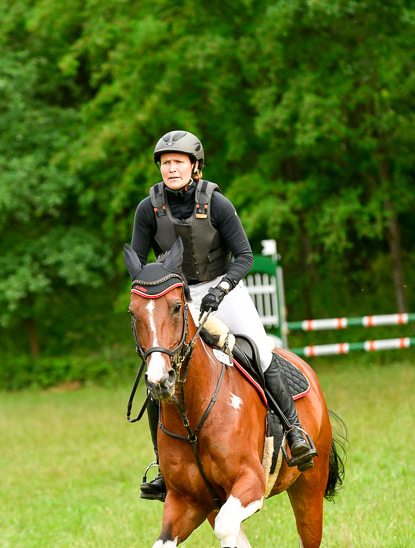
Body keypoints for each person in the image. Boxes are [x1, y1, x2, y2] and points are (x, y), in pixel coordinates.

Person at [130, 130, 315, 501]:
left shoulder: (217, 204)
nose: (171, 168)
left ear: (195, 167)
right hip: (176, 297)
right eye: (166, 163)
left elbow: (244, 255)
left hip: (222, 289)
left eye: (178, 162)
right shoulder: (147, 209)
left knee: (260, 352)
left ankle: (295, 434)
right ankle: (162, 466)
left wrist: (221, 290)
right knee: (158, 372)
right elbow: (139, 265)